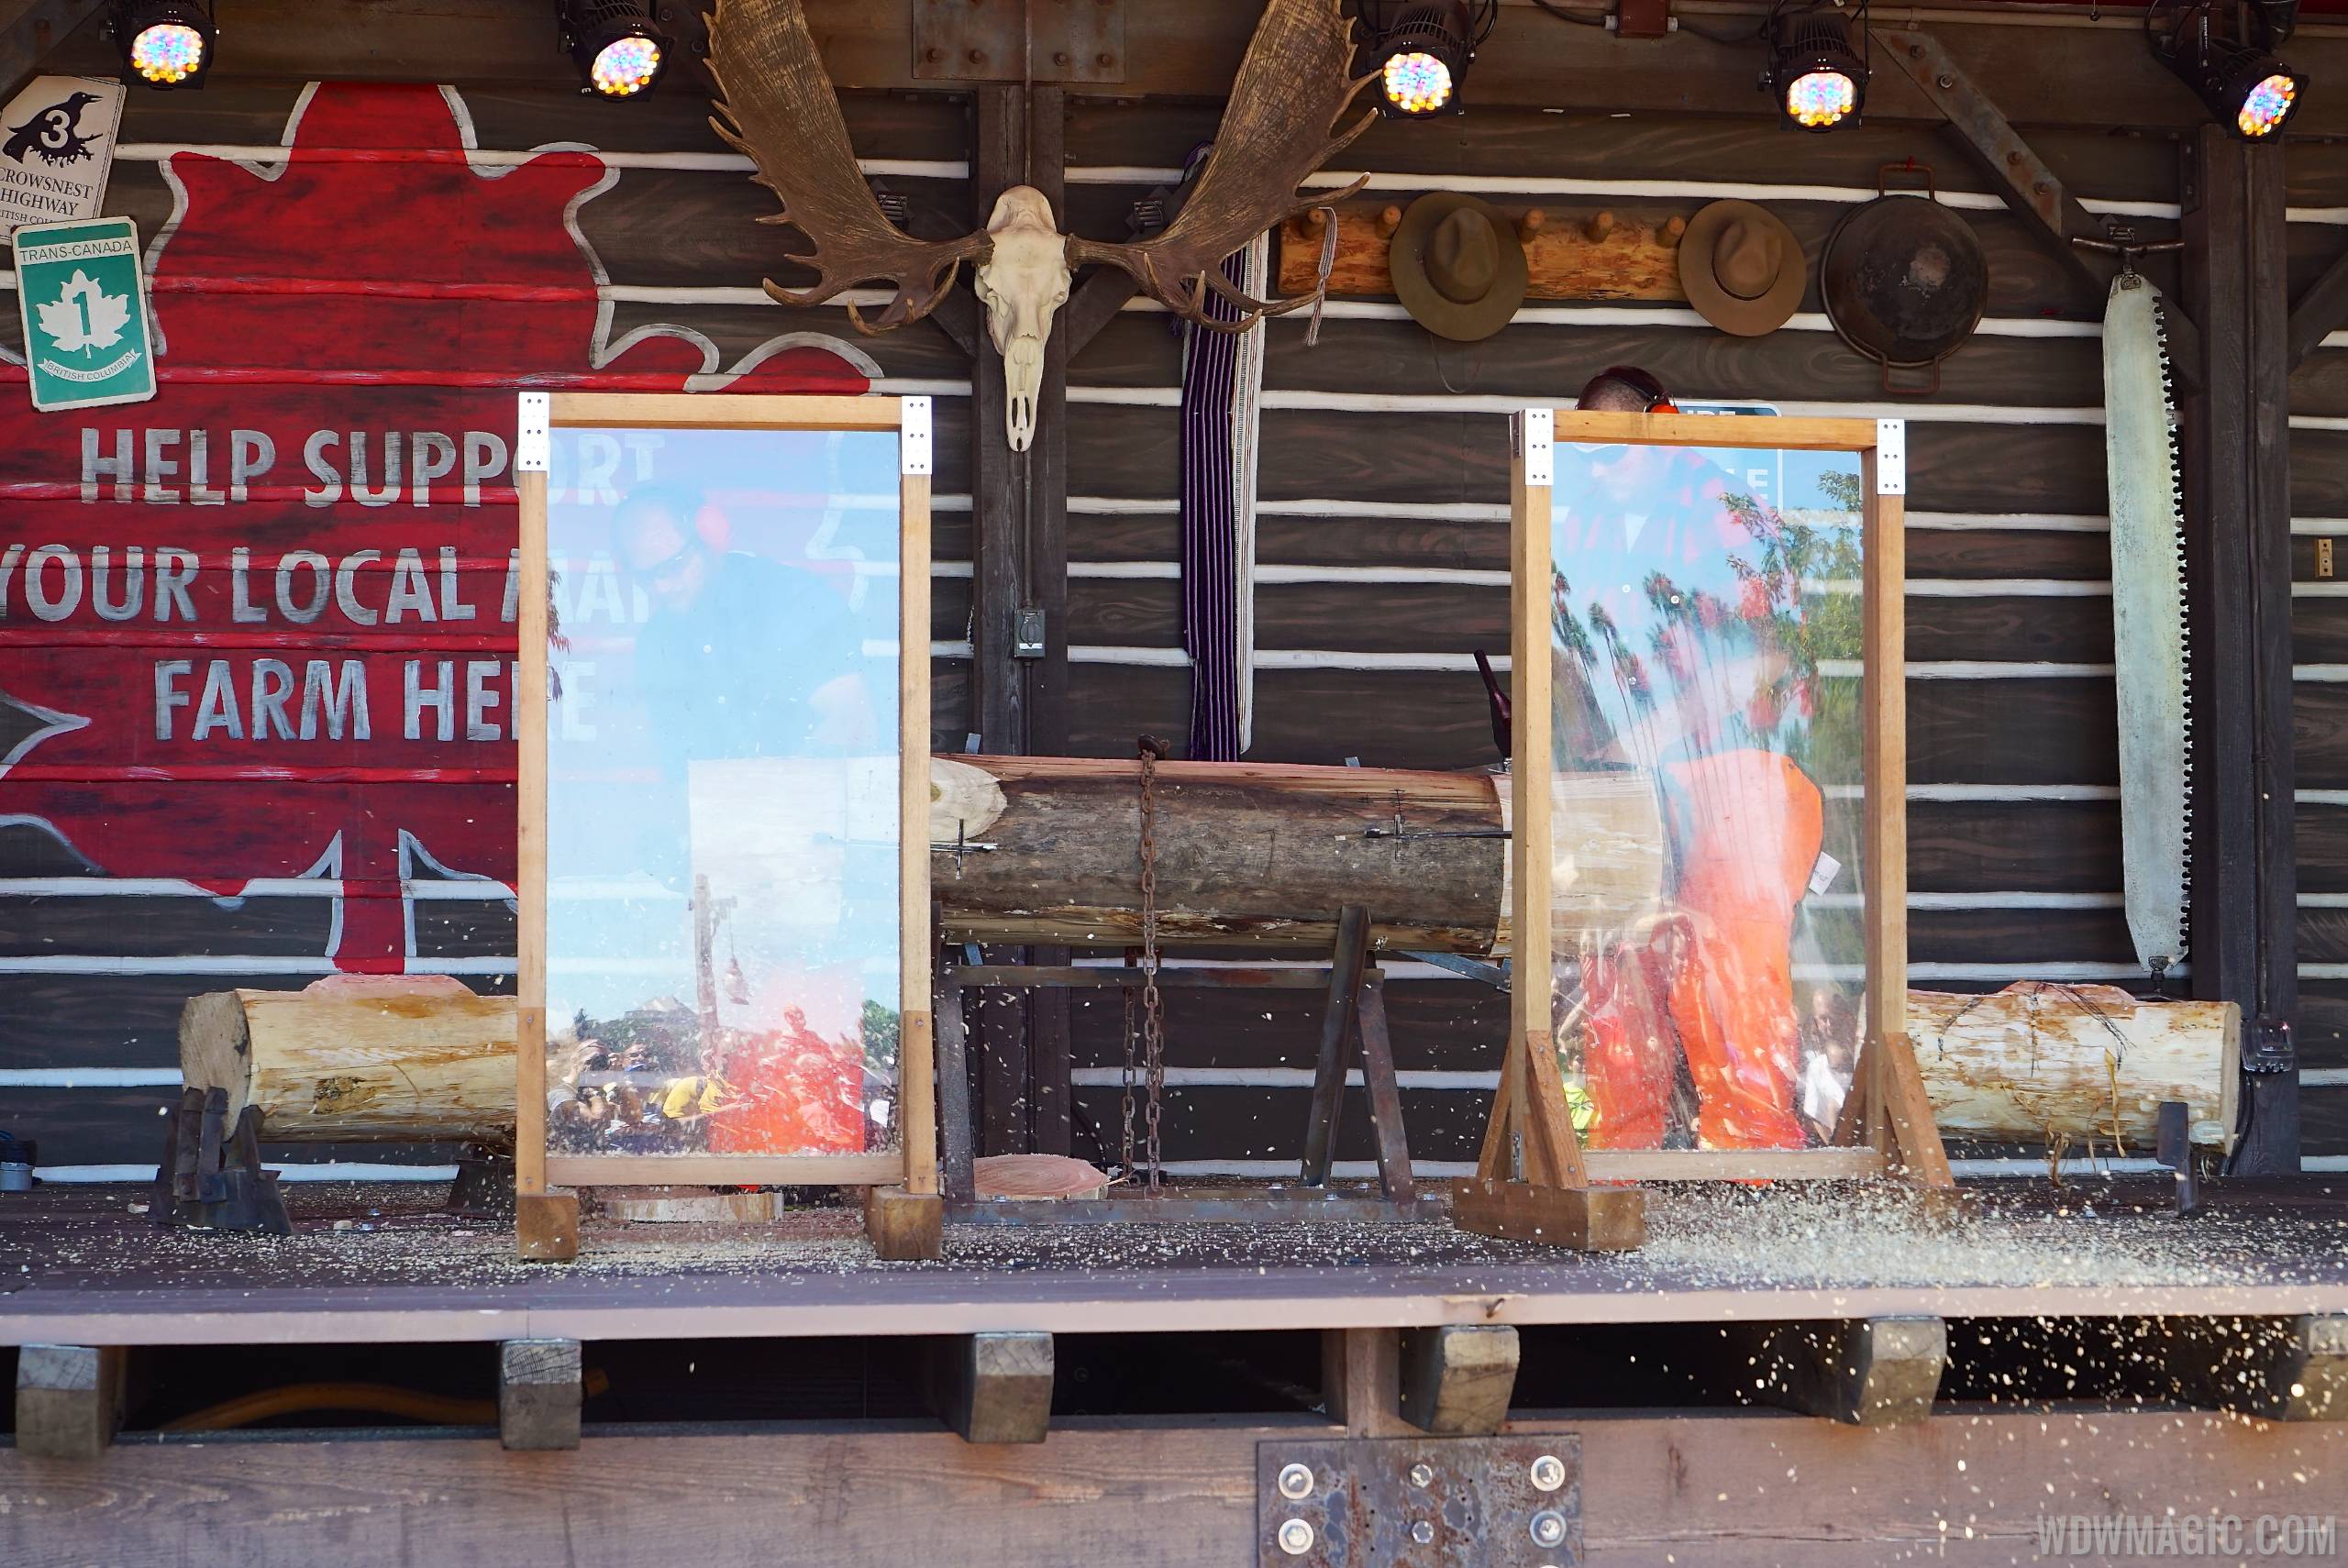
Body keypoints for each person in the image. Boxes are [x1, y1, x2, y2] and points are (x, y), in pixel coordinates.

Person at [1557, 365, 1824, 1152]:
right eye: (1590, 454)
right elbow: (1571, 648)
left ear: (1659, 426)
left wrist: (1654, 734)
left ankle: (1756, 1170)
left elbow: (1765, 658)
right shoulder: (1592, 522)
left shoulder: (1727, 513)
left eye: (1614, 451)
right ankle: (1618, 1163)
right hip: (1630, 782)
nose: (1600, 469)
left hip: (1739, 771)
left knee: (1731, 976)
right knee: (1616, 976)